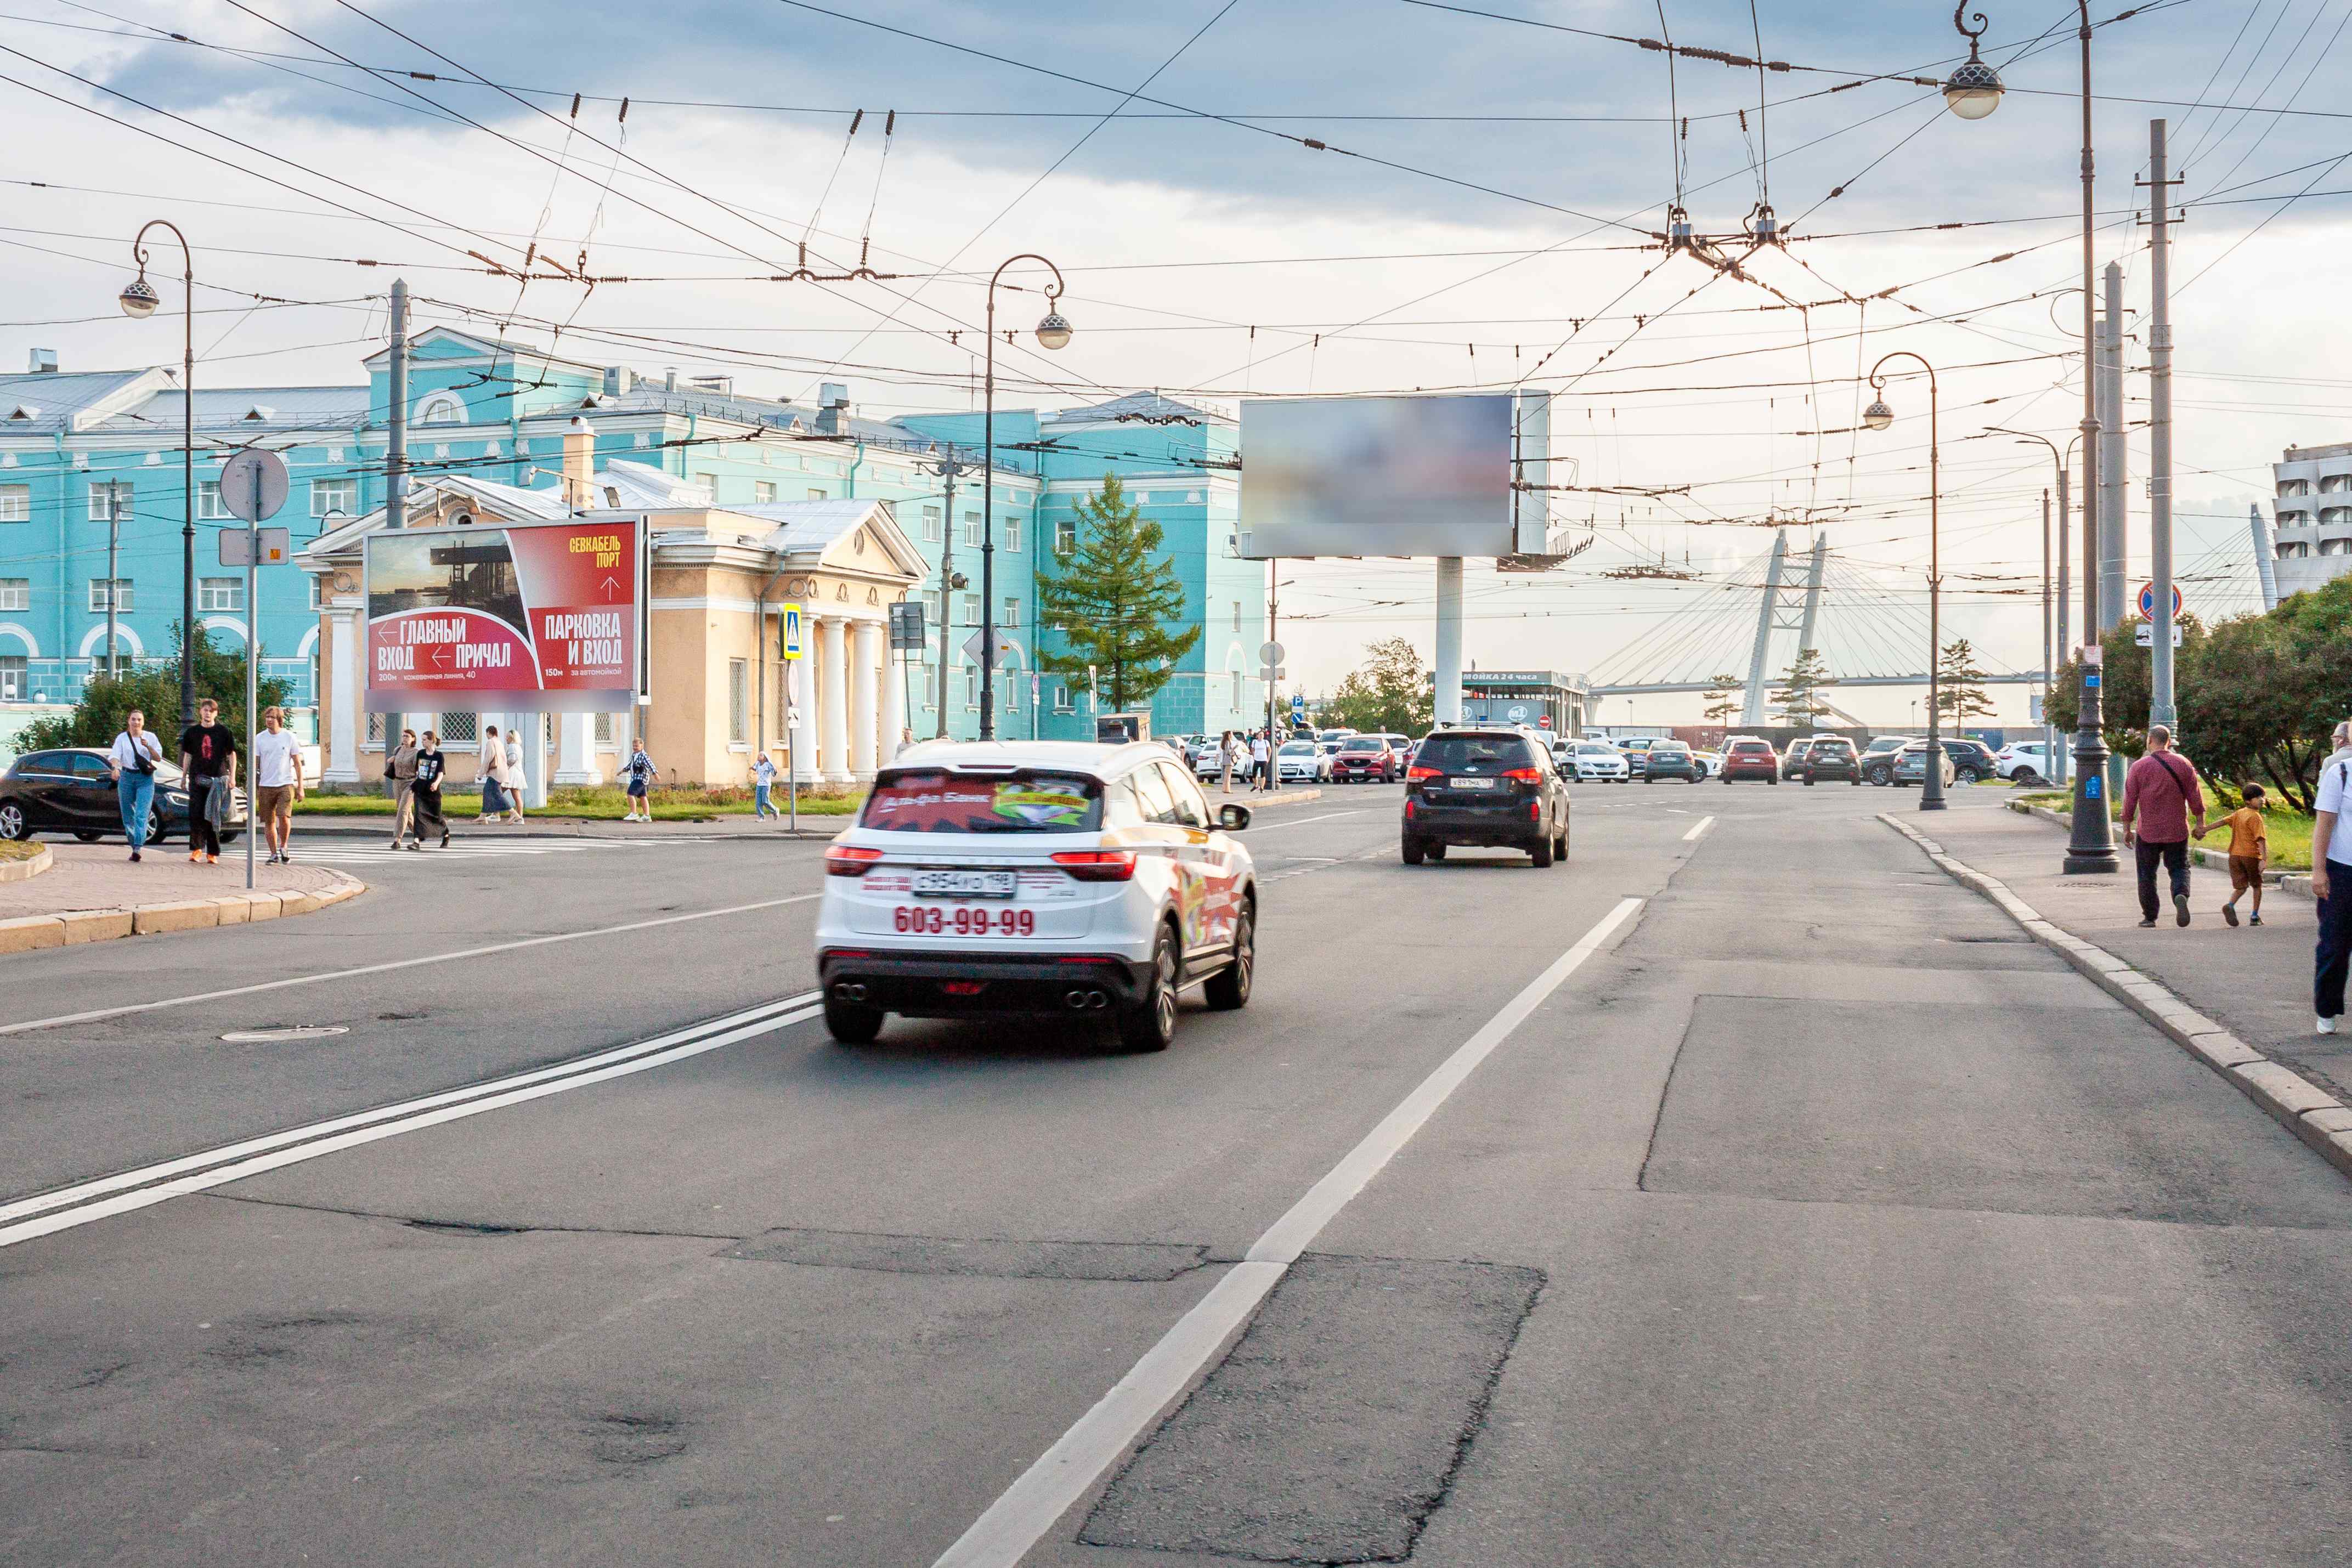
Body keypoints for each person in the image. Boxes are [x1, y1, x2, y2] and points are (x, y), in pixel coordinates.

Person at [2119, 723, 2206, 929]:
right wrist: (2200, 823)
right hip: (2177, 829)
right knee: (2179, 867)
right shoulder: (2183, 764)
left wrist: (2126, 828)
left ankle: (2150, 917)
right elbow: (2195, 796)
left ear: (2150, 741)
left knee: (2147, 874)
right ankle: (2180, 894)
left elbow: (2130, 799)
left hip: (2148, 831)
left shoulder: (2139, 767)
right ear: (2169, 741)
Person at [2314, 741, 2352, 1035]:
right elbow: (2324, 824)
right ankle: (2327, 1010)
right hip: (2341, 871)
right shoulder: (2341, 772)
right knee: (2335, 945)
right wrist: (2319, 870)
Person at [2198, 783, 2269, 928]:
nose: (2262, 800)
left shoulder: (2239, 813)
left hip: (2234, 856)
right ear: (2248, 801)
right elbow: (2260, 839)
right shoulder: (2256, 817)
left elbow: (2222, 822)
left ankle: (2230, 905)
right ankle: (2254, 916)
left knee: (2241, 887)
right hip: (2251, 856)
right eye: (2258, 797)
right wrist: (2264, 859)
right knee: (2257, 886)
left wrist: (2205, 829)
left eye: (2263, 797)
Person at [177, 697, 236, 865]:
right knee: (196, 815)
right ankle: (196, 850)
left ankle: (212, 853)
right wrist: (184, 776)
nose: (208, 713)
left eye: (211, 711)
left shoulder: (224, 732)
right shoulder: (192, 733)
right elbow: (188, 755)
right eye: (205, 710)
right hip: (197, 779)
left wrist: (232, 777)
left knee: (213, 815)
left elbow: (231, 754)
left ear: (216, 714)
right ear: (200, 712)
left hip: (216, 780)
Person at [105, 707, 165, 862]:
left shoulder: (151, 737)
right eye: (133, 719)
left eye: (139, 720)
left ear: (143, 723)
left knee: (141, 814)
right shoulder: (122, 738)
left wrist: (149, 747)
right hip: (126, 777)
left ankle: (138, 847)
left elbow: (158, 758)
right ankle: (134, 844)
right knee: (127, 815)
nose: (136, 722)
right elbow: (115, 756)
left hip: (145, 779)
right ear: (129, 721)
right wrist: (116, 768)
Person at [251, 705, 306, 864]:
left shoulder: (289, 737)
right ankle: (273, 853)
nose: (269, 720)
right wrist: (253, 785)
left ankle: (284, 846)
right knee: (269, 821)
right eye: (267, 717)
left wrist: (300, 787)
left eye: (272, 717)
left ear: (279, 720)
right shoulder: (260, 738)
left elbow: (297, 763)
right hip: (266, 785)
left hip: (285, 784)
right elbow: (255, 763)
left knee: (284, 816)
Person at [409, 729, 449, 849]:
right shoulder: (421, 753)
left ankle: (446, 834)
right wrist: (415, 782)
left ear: (431, 740)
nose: (422, 742)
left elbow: (441, 773)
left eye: (425, 740)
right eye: (422, 740)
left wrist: (436, 783)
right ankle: (416, 841)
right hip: (420, 788)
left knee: (436, 816)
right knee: (418, 814)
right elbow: (417, 770)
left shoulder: (439, 756)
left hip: (433, 790)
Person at [385, 727, 419, 850]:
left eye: (407, 736)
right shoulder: (398, 749)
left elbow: (419, 770)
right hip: (397, 782)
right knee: (406, 812)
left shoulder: (416, 752)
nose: (405, 738)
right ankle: (418, 834)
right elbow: (393, 761)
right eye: (403, 736)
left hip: (411, 783)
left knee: (402, 810)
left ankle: (397, 840)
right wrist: (391, 760)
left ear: (413, 739)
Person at [477, 724, 507, 824]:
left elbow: (488, 759)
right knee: (490, 793)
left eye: (487, 734)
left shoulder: (491, 742)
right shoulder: (500, 743)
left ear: (489, 733)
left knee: (496, 794)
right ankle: (484, 816)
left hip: (494, 773)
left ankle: (514, 813)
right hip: (501, 772)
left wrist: (481, 774)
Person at [621, 740, 656, 822]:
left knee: (630, 794)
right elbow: (631, 765)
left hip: (641, 779)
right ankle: (647, 816)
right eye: (634, 746)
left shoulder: (644, 756)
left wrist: (655, 773)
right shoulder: (634, 755)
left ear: (642, 746)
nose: (635, 748)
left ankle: (634, 813)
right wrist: (623, 770)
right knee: (643, 797)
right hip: (636, 778)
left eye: (637, 746)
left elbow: (650, 764)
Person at [504, 724, 528, 824]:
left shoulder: (512, 746)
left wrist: (505, 765)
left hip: (512, 773)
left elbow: (512, 759)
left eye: (507, 737)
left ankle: (496, 814)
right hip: (518, 773)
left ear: (512, 738)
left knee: (497, 793)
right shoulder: (519, 747)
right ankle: (520, 817)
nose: (506, 739)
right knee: (517, 796)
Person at [753, 750, 779, 820]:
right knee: (758, 802)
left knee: (765, 801)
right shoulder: (758, 764)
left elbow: (773, 773)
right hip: (759, 785)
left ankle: (775, 810)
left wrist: (775, 771)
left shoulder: (768, 764)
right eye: (759, 755)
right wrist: (752, 768)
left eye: (761, 755)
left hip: (766, 785)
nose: (759, 756)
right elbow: (755, 769)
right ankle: (762, 817)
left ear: (765, 758)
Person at [1250, 728, 1270, 793]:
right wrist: (1254, 756)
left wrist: (1268, 758)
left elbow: (1269, 750)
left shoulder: (1266, 742)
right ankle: (1256, 786)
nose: (1261, 736)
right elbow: (1252, 749)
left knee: (1263, 775)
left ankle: (1262, 788)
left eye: (1263, 735)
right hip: (1257, 760)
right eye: (1260, 735)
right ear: (1257, 736)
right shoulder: (1255, 742)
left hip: (1264, 760)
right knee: (1254, 774)